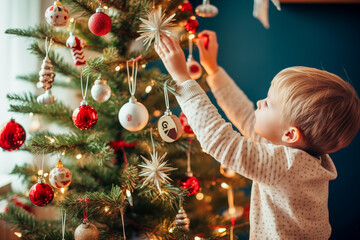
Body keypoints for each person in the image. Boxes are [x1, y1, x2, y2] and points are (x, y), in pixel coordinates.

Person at [155, 30, 360, 239]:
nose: (260, 103)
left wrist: (182, 79)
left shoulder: (288, 165)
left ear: (290, 134)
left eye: (268, 103)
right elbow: (245, 116)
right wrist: (213, 69)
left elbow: (220, 141)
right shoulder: (301, 156)